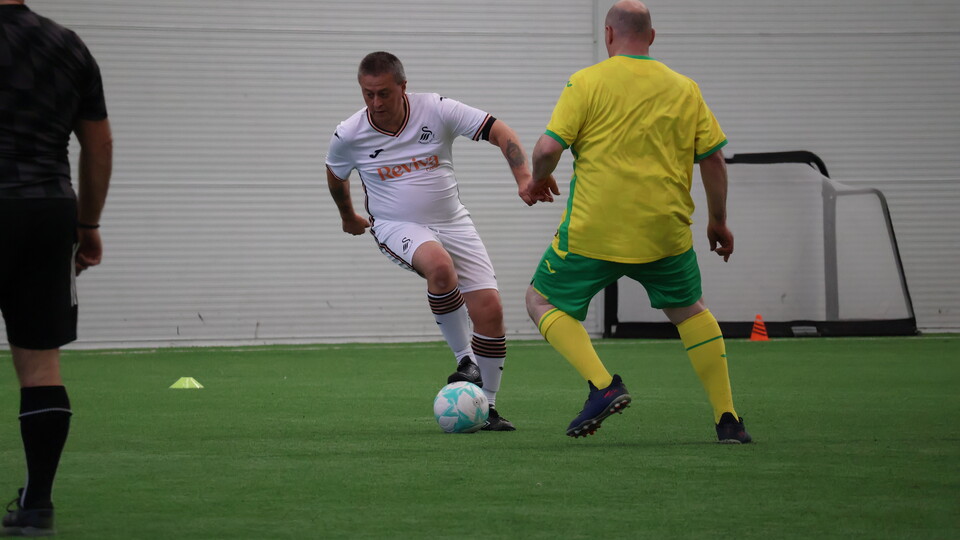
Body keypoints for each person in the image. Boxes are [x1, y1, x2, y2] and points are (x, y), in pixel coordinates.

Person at [520, 0, 751, 443]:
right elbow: (714, 162)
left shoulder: (586, 82)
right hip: (664, 232)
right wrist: (718, 221)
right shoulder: (685, 88)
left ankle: (603, 385)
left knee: (540, 302)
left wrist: (538, 180)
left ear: (608, 35)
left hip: (594, 231)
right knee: (690, 313)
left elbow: (548, 149)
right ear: (651, 36)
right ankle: (728, 420)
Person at [325, 52, 541, 431]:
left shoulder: (436, 109)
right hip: (396, 224)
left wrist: (524, 178)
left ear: (403, 87)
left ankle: (487, 408)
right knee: (439, 267)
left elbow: (499, 130)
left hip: (454, 221)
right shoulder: (349, 134)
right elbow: (335, 173)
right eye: (368, 94)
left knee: (490, 310)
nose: (375, 103)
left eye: (384, 94)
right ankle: (465, 359)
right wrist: (348, 217)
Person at [1, 0, 113, 535]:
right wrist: (88, 224)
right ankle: (37, 504)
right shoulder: (66, 45)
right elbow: (98, 144)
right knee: (40, 365)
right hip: (45, 211)